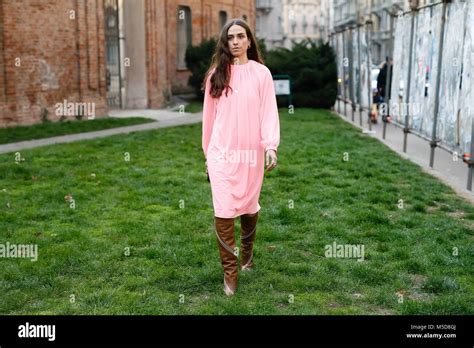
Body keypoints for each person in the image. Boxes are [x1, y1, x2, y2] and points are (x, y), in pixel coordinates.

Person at [201, 18, 280, 296]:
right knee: (223, 209)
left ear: (249, 41)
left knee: (249, 205)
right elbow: (208, 120)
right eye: (230, 37)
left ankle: (247, 254)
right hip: (221, 153)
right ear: (225, 42)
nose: (235, 41)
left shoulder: (262, 74)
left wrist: (270, 145)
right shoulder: (216, 75)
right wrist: (207, 155)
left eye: (240, 37)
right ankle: (230, 273)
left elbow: (269, 112)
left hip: (251, 154)